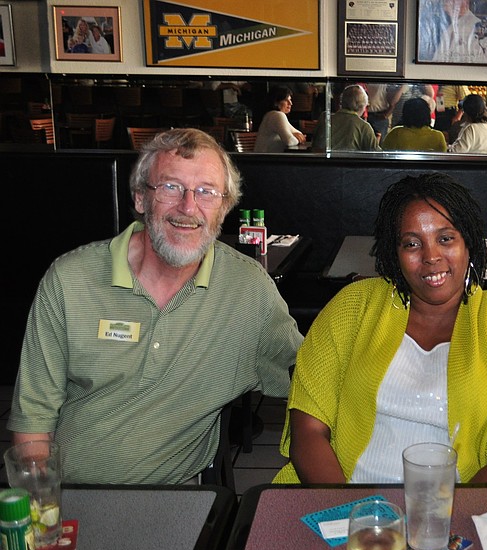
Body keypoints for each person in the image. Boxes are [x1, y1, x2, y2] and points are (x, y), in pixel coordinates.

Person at [7, 128, 304, 485]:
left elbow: (310, 379)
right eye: (170, 187)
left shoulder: (248, 290)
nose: (188, 207)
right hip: (70, 490)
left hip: (174, 494)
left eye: (207, 191)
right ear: (140, 198)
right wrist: (44, 503)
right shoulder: (70, 280)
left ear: (224, 208)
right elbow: (33, 422)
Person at [273, 173, 487, 484]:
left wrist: (445, 512)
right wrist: (350, 509)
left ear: (469, 243)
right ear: (395, 254)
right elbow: (308, 428)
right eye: (412, 244)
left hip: (462, 503)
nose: (431, 257)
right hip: (339, 494)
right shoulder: (351, 308)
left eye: (445, 239)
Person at [312, 84, 380, 152]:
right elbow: (376, 153)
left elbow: (314, 144)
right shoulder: (364, 127)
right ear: (362, 106)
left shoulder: (324, 118)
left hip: (321, 159)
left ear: (342, 101)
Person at [431, 0, 487, 64]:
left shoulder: (479, 29)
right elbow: (436, 62)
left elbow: (484, 67)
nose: (447, 2)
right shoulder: (448, 29)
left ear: (466, 1)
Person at [381, 97, 448, 152]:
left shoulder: (396, 133)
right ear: (428, 114)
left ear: (405, 114)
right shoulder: (438, 136)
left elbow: (384, 153)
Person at [255, 87, 307, 152]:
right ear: (276, 102)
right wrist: (297, 138)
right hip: (266, 158)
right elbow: (290, 141)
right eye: (286, 100)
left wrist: (295, 136)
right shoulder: (277, 115)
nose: (290, 103)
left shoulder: (272, 115)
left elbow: (299, 134)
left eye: (290, 100)